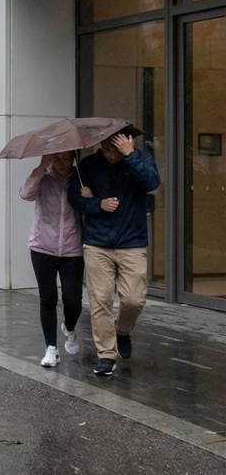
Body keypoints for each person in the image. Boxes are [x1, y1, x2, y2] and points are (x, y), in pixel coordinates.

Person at [68, 129, 160, 378]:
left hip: (132, 242)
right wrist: (97, 204)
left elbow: (152, 182)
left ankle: (122, 331)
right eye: (107, 148)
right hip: (97, 243)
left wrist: (130, 156)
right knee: (101, 300)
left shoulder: (138, 159)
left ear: (126, 144)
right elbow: (74, 198)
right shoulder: (88, 166)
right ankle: (106, 355)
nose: (111, 154)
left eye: (116, 149)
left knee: (133, 300)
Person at [19, 151, 84, 368]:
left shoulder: (80, 179)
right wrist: (41, 167)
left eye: (67, 159)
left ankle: (70, 326)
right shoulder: (43, 180)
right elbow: (25, 194)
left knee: (73, 300)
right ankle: (51, 348)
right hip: (42, 248)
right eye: (57, 159)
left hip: (72, 249)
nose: (62, 164)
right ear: (50, 159)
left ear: (73, 159)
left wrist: (88, 194)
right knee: (48, 297)